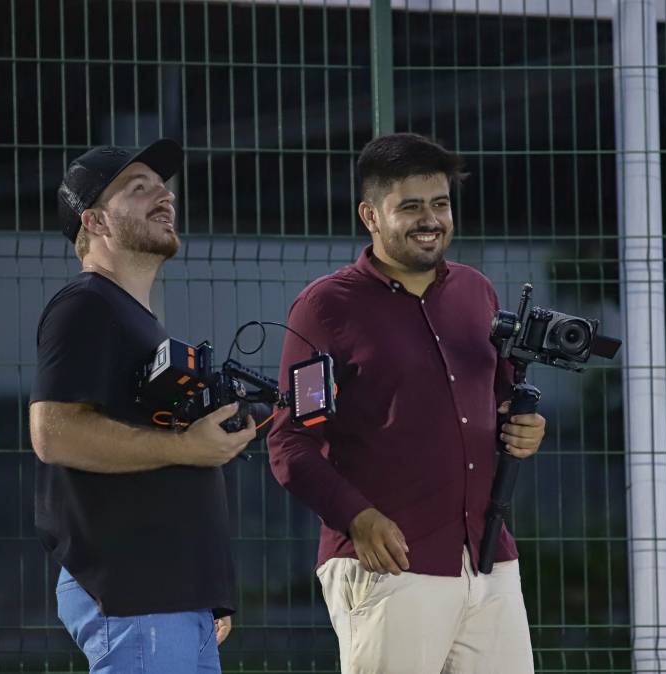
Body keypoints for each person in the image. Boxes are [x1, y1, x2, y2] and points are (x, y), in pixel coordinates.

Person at [267, 133, 546, 674]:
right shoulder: (324, 308)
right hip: (389, 563)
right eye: (411, 206)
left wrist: (527, 427)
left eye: (440, 203)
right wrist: (358, 518)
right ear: (370, 215)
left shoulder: (477, 292)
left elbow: (505, 403)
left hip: (490, 561)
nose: (431, 220)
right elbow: (291, 441)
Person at [29, 139, 255, 674]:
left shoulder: (136, 321)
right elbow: (53, 434)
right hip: (139, 593)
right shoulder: (86, 304)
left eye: (163, 187)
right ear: (96, 221)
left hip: (173, 597)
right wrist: (188, 447)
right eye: (139, 188)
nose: (165, 196)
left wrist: (206, 591)